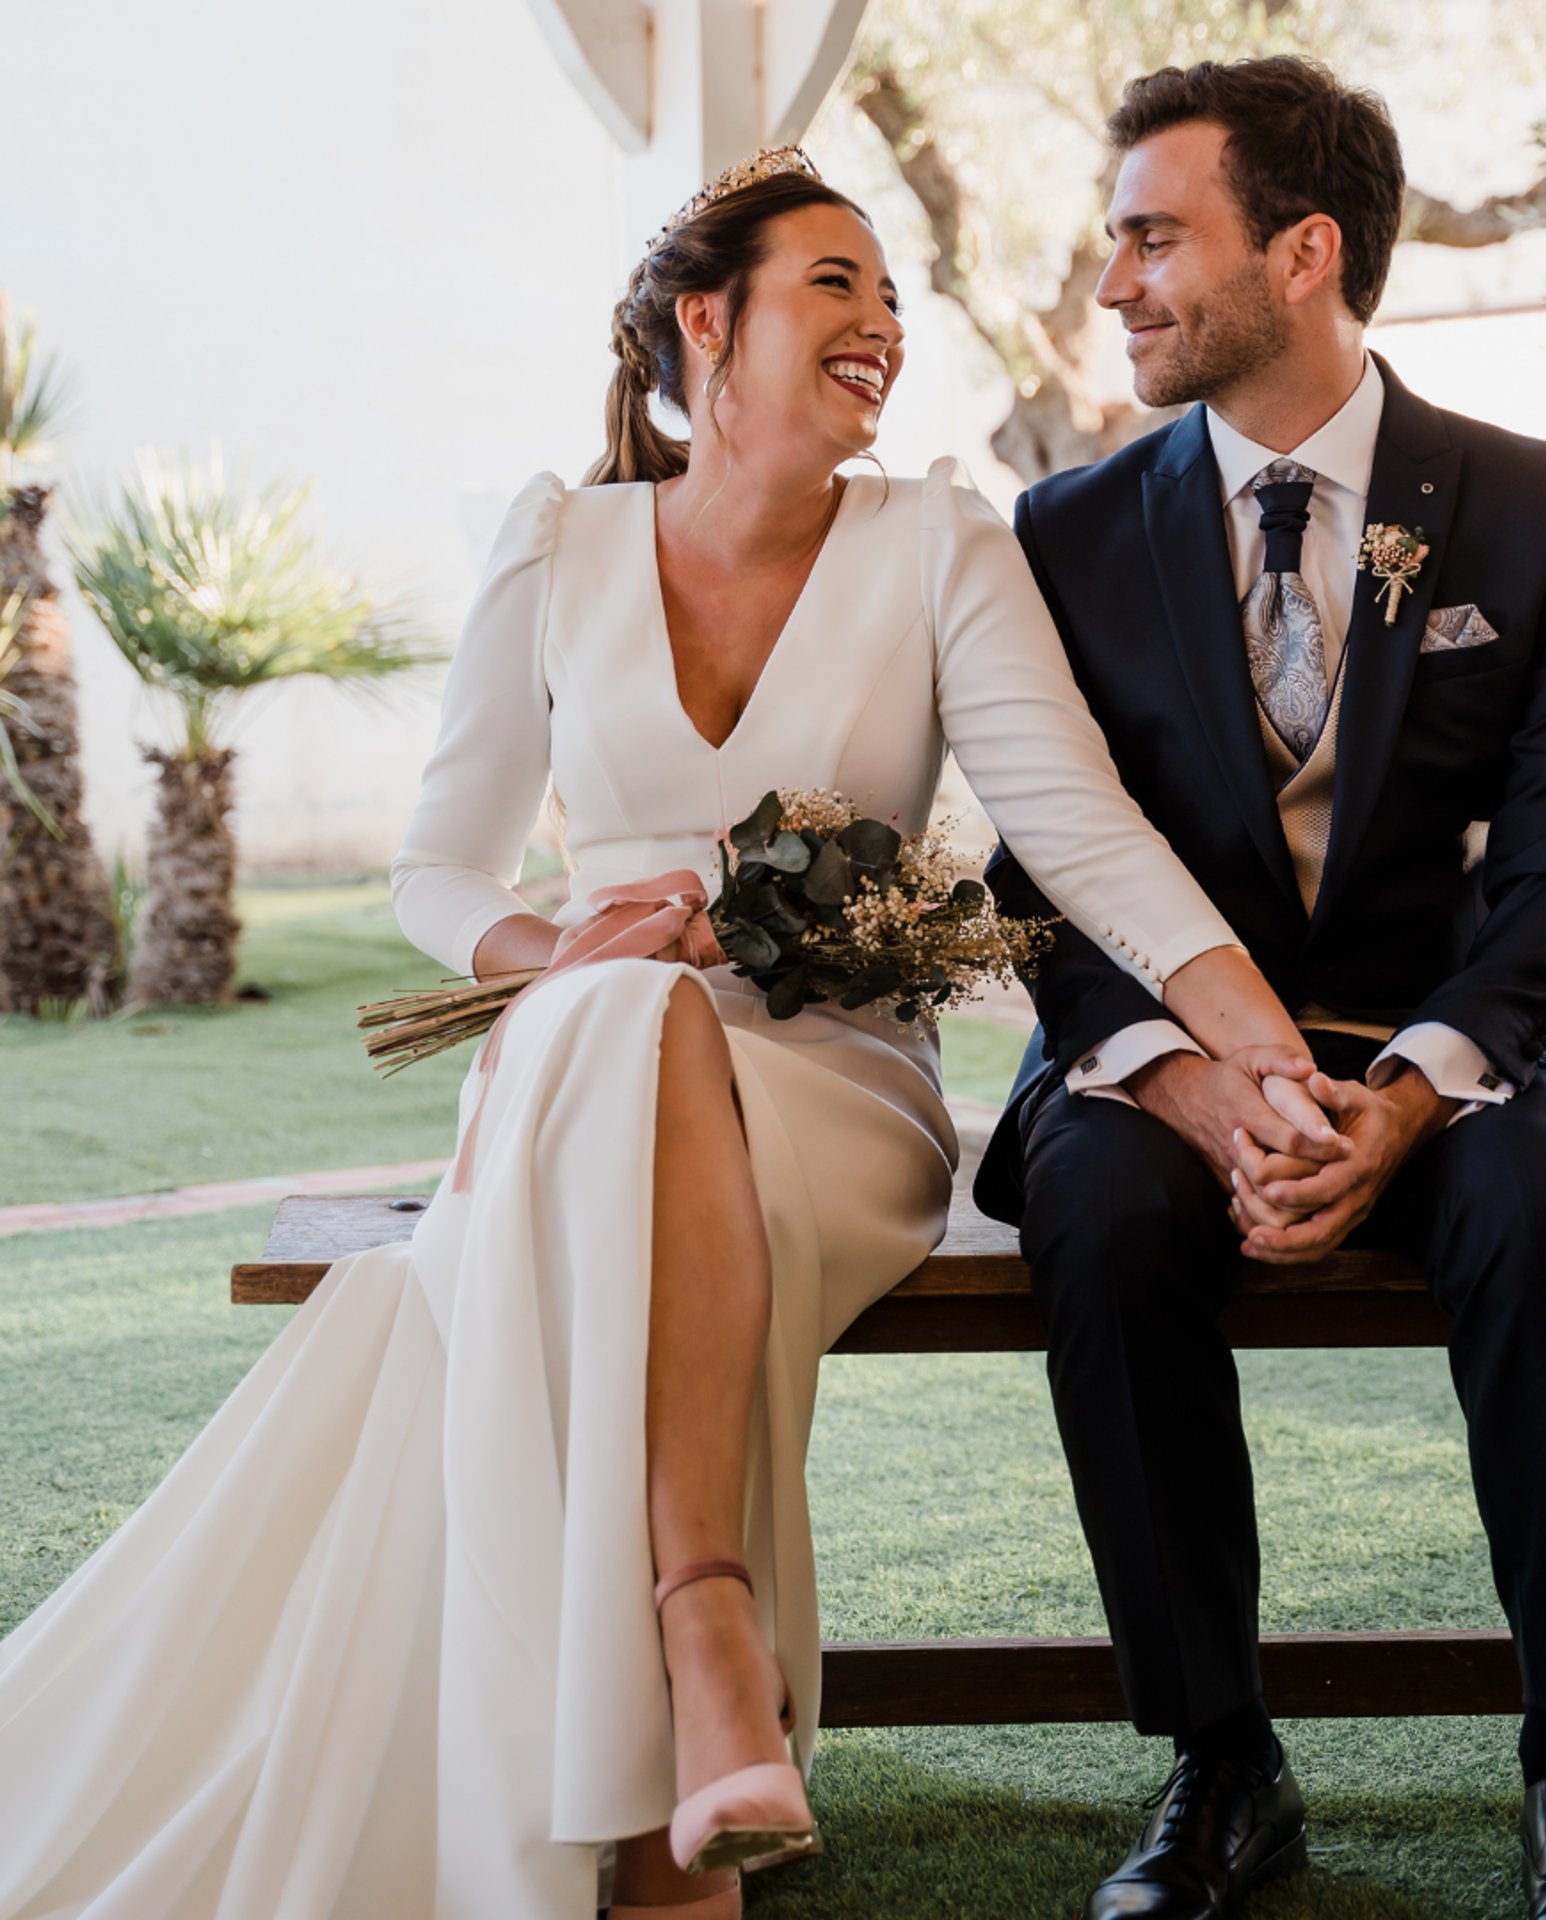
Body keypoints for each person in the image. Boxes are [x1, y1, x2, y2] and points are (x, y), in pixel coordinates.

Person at [0, 150, 1338, 1920]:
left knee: (631, 1074)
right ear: (706, 323)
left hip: (830, 1090)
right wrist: (553, 943)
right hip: (575, 1063)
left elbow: (1084, 840)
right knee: (617, 1029)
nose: (883, 327)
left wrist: (1264, 1055)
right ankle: (693, 1708)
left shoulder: (937, 543)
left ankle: (695, 1661)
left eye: (892, 302)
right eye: (836, 287)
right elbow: (434, 870)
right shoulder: (558, 543)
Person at [974, 57, 1546, 1920]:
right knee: (1100, 1214)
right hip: (1159, 1068)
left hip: (1456, 1044)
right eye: (1112, 241)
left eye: (1151, 238)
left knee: (1540, 1204)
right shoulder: (1056, 535)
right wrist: (1186, 1083)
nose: (1113, 283)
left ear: (1302, 251)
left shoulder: (1540, 511)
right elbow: (1031, 879)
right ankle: (1220, 1766)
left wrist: (1414, 1094)